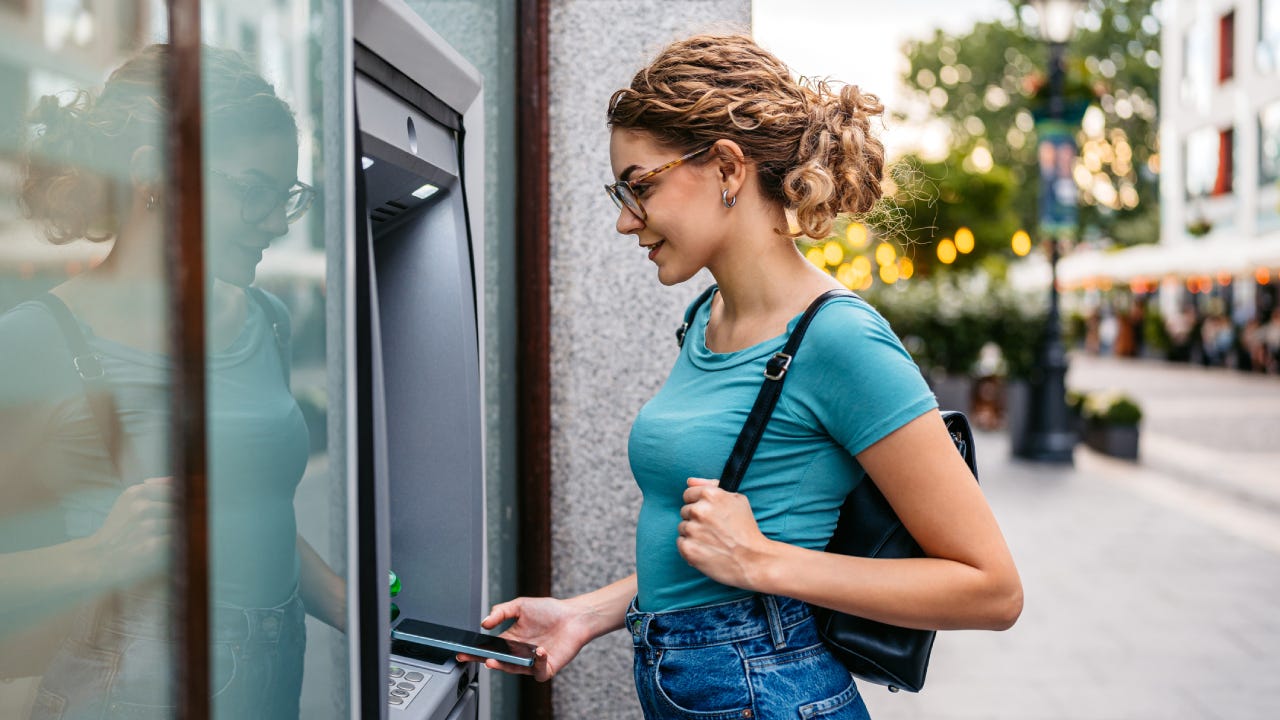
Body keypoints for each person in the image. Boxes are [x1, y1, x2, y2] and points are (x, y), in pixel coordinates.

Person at [462, 34, 1022, 718]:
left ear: (727, 168)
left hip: (775, 692)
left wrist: (764, 564)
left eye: (639, 187)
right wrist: (587, 614)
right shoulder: (707, 317)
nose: (622, 220)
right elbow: (712, 553)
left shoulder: (838, 339)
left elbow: (993, 589)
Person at [0, 44, 343, 719]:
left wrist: (360, 608)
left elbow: (253, 514)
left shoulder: (266, 321)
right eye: (253, 192)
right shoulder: (35, 340)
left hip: (274, 686)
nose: (275, 223)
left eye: (287, 198)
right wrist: (94, 558)